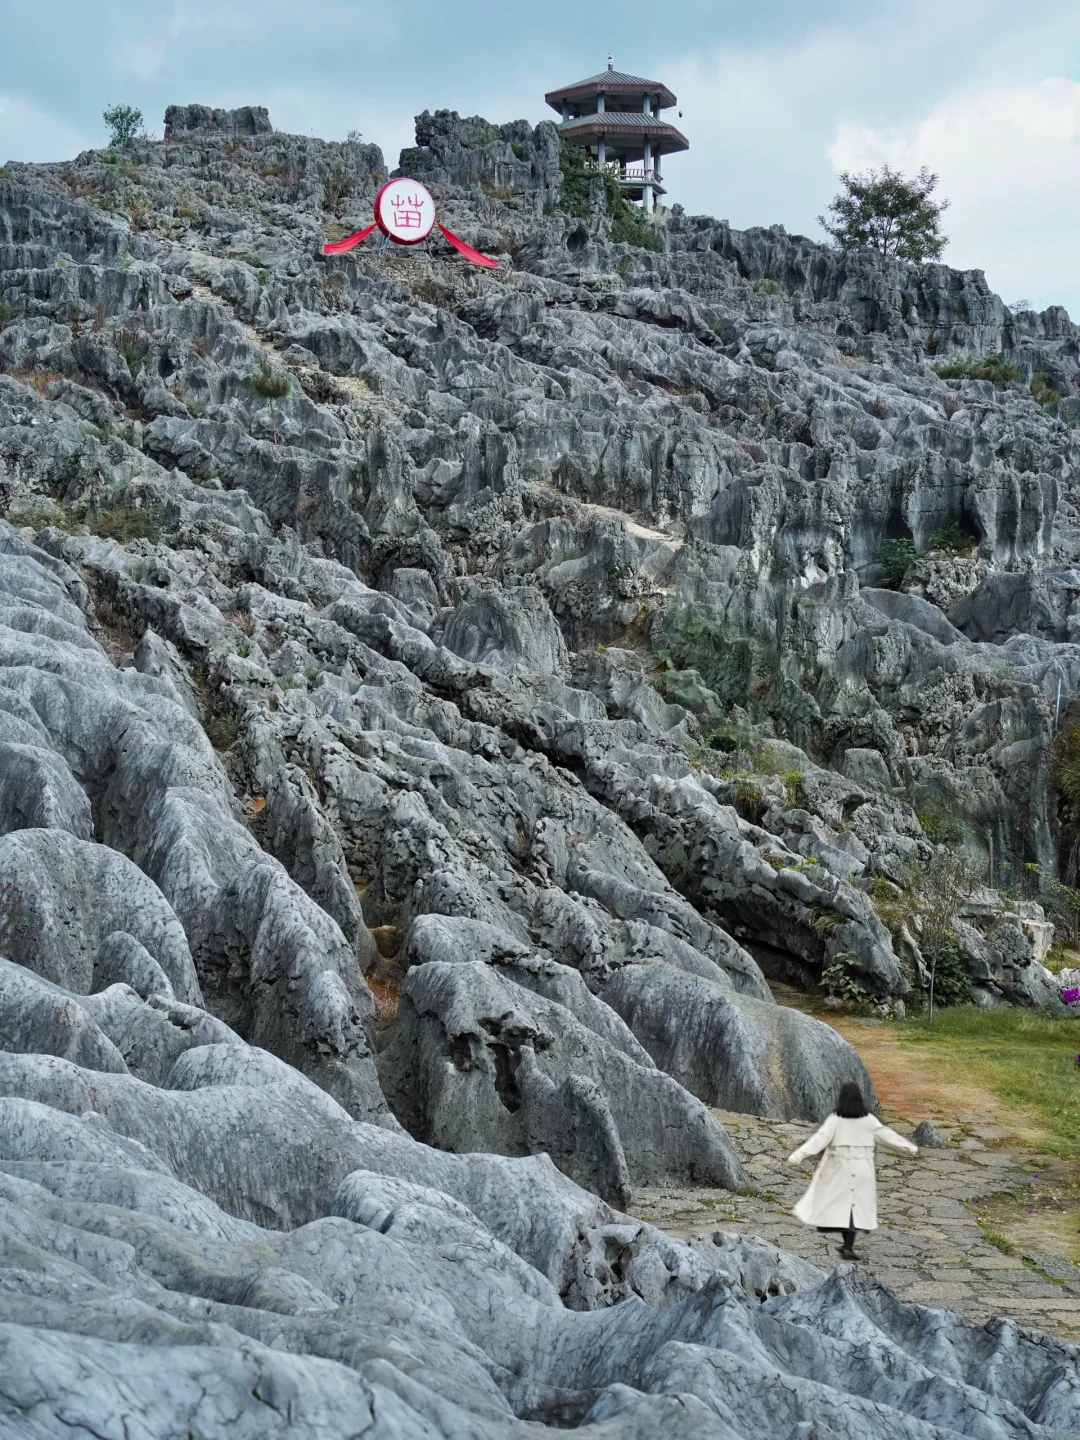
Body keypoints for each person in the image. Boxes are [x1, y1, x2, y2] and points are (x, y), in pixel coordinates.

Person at [786, 1081, 918, 1260]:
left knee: (839, 1204)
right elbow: (887, 1135)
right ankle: (846, 1243)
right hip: (862, 1169)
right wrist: (909, 1148)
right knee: (854, 1208)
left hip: (839, 1169)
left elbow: (819, 1140)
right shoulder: (869, 1120)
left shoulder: (835, 1119)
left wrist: (798, 1155)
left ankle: (837, 1233)